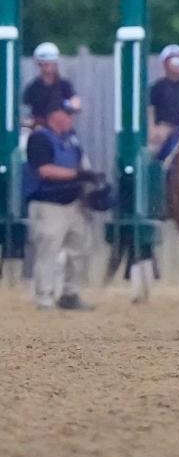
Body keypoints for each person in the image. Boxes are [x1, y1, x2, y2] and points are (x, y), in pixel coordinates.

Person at [22, 101, 101, 310]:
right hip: (49, 204)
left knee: (81, 249)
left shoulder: (70, 140)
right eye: (67, 114)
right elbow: (44, 170)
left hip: (74, 202)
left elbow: (80, 166)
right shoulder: (40, 138)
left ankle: (70, 294)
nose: (71, 118)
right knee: (47, 252)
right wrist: (78, 175)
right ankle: (44, 298)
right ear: (54, 115)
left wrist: (92, 185)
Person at [148, 44, 179, 159]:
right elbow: (150, 110)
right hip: (165, 129)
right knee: (149, 154)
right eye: (175, 59)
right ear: (165, 63)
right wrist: (153, 130)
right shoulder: (157, 87)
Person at [22, 42, 81, 128]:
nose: (48, 67)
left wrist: (64, 106)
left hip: (60, 131)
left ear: (55, 64)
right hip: (39, 129)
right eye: (44, 64)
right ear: (39, 65)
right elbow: (24, 110)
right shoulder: (33, 87)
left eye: (51, 63)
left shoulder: (64, 85)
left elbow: (76, 103)